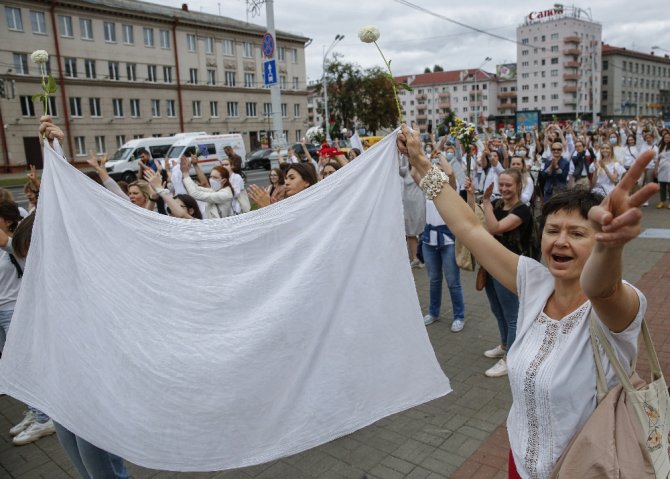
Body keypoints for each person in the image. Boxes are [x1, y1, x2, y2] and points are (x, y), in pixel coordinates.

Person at [397, 123, 659, 479]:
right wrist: (423, 165)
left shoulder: (617, 305)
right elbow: (470, 229)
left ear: (598, 241)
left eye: (578, 233)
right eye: (553, 230)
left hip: (589, 468)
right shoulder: (535, 281)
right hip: (520, 463)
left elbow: (603, 288)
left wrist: (611, 247)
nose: (560, 241)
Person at [0, 204, 57, 446]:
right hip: (5, 312)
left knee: (25, 364)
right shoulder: (16, 246)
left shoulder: (17, 247)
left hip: (13, 310)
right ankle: (36, 411)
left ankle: (43, 417)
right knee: (16, 364)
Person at [479, 168, 533, 377]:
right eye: (501, 184)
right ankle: (504, 344)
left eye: (508, 185)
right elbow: (477, 221)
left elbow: (495, 228)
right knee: (497, 309)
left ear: (519, 186)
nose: (503, 189)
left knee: (512, 314)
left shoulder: (523, 211)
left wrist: (485, 202)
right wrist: (471, 193)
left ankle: (510, 357)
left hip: (510, 267)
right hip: (492, 264)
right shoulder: (497, 205)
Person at [420, 157, 465, 332]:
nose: (435, 172)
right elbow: (415, 171)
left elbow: (451, 172)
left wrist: (439, 155)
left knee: (453, 281)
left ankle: (459, 316)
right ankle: (433, 312)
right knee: (434, 280)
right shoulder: (427, 188)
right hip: (429, 240)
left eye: (438, 170)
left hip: (447, 241)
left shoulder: (451, 189)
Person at [247, 163, 317, 208]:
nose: (286, 182)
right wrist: (275, 207)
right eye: (286, 178)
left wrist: (267, 207)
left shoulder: (311, 205)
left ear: (306, 182)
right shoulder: (291, 203)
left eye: (292, 178)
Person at [656, 129, 670, 209]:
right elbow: (658, 159)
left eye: (668, 137)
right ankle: (662, 201)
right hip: (662, 169)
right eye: (665, 138)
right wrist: (656, 168)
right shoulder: (661, 147)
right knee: (662, 187)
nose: (667, 139)